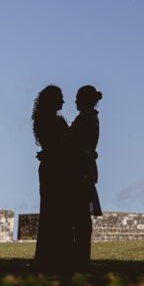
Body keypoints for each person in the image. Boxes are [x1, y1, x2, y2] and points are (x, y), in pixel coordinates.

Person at [31, 85, 70, 271]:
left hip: (48, 167)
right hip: (57, 168)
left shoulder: (41, 120)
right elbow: (63, 146)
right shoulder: (54, 122)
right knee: (58, 211)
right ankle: (58, 255)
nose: (63, 101)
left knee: (49, 210)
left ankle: (48, 255)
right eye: (60, 98)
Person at [65, 84, 103, 269]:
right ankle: (80, 254)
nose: (75, 101)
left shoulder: (86, 119)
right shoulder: (90, 118)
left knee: (79, 214)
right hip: (84, 168)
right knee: (80, 214)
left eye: (78, 97)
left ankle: (80, 255)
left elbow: (73, 143)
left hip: (80, 170)